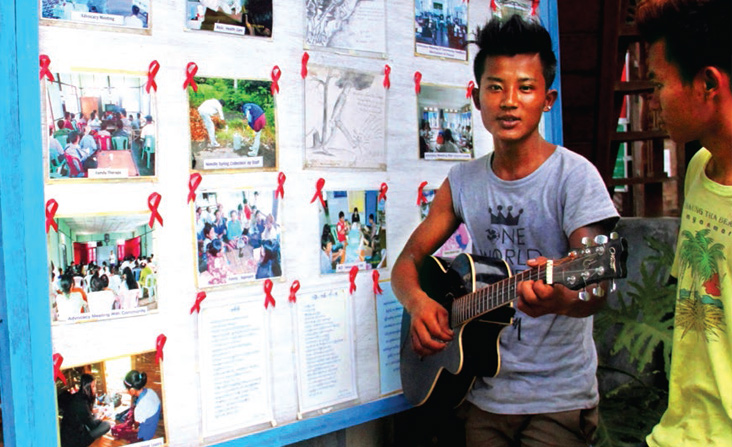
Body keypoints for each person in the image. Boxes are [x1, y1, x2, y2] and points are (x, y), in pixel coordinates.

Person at [392, 15, 619, 447]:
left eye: (525, 87)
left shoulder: (574, 178)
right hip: (481, 393)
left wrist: (560, 299)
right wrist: (419, 303)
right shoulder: (463, 182)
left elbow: (596, 288)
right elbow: (408, 261)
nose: (509, 101)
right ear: (476, 99)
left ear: (548, 99)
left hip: (557, 400)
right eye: (495, 87)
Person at [635, 1, 732, 446]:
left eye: (658, 83)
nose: (653, 100)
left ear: (707, 84)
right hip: (676, 434)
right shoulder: (698, 169)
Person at [58, 373, 111, 447]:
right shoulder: (82, 404)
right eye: (93, 386)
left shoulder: (77, 397)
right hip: (74, 442)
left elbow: (81, 414)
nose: (95, 388)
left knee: (95, 418)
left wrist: (92, 412)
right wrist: (100, 419)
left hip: (68, 435)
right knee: (106, 425)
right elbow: (92, 425)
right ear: (87, 387)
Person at [112, 370, 161, 442]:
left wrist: (130, 426)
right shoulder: (151, 391)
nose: (126, 390)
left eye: (127, 389)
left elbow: (136, 425)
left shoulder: (140, 407)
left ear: (132, 390)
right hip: (153, 426)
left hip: (144, 436)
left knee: (116, 430)